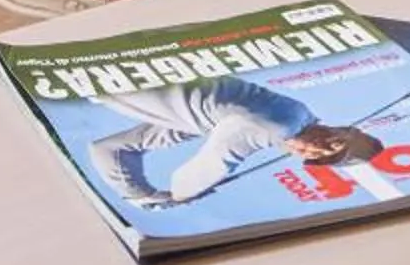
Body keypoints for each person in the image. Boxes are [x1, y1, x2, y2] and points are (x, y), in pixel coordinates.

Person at [86, 74, 385, 208]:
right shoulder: (277, 126)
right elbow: (191, 178)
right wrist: (180, 195)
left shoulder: (292, 115)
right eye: (334, 143)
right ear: (342, 128)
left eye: (323, 156)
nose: (320, 149)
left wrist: (145, 195)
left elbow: (110, 150)